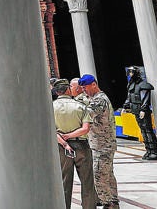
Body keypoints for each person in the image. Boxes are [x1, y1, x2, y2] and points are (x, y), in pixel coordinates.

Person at [52, 78, 97, 209]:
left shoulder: (50, 107)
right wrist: (70, 135)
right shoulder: (80, 106)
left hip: (61, 147)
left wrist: (64, 142)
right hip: (81, 145)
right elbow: (85, 129)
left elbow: (51, 131)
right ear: (68, 89)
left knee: (64, 182)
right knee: (87, 181)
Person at [81, 74, 118, 208]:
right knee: (108, 175)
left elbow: (85, 115)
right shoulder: (99, 98)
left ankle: (107, 203)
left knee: (100, 177)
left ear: (94, 84)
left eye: (85, 87)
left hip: (102, 145)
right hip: (105, 144)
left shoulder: (99, 100)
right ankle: (113, 201)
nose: (84, 90)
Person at [125, 66, 157, 160]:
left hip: (142, 111)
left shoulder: (143, 84)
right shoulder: (131, 84)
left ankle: (153, 151)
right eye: (129, 72)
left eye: (132, 72)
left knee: (148, 130)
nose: (130, 74)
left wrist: (143, 109)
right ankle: (148, 150)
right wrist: (127, 105)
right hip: (135, 110)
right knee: (143, 130)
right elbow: (130, 97)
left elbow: (145, 98)